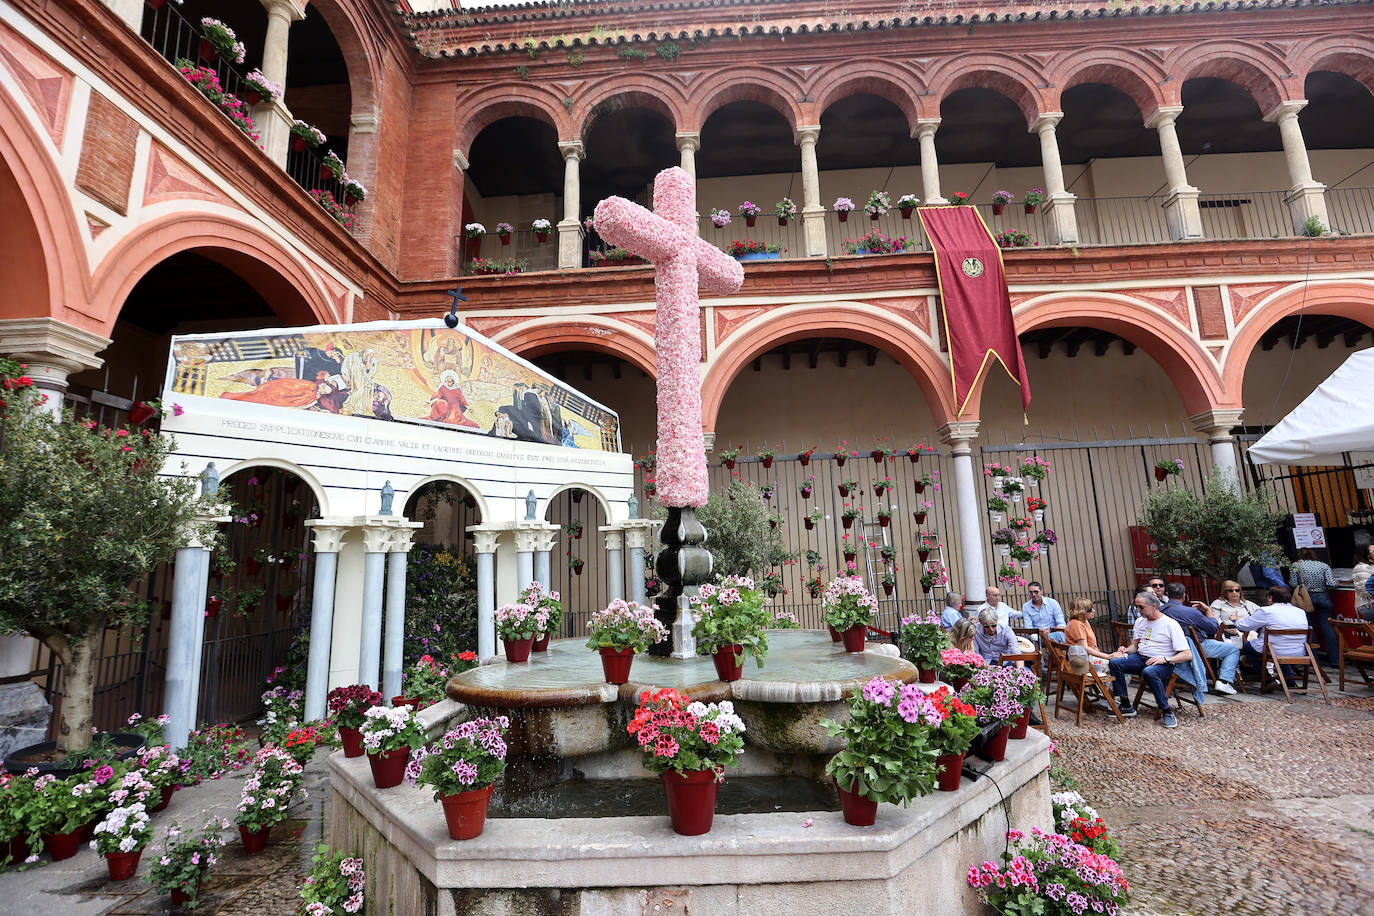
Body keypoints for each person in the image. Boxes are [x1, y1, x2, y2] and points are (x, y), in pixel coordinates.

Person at [1107, 591, 1193, 728]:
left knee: (1150, 672)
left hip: (1164, 662)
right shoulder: (1140, 622)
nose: (1138, 610)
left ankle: (1166, 711)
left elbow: (1187, 654)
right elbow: (1135, 646)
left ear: (1153, 606)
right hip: (1141, 657)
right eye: (1136, 607)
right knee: (1115, 662)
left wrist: (1165, 659)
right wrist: (1125, 650)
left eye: (1141, 607)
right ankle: (1125, 704)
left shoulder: (1170, 624)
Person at [1158, 583, 1242, 695]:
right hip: (1194, 648)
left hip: (1167, 649)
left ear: (1167, 594)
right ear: (1184, 596)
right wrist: (1208, 611)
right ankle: (1224, 682)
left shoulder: (1158, 611)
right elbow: (1213, 629)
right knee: (1233, 649)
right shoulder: (1191, 612)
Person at [1235, 585, 1312, 682]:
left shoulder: (1266, 611)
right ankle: (1289, 679)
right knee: (1280, 646)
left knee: (1247, 647)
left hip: (1275, 650)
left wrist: (1235, 620)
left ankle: (1266, 679)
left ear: (1270, 598)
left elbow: (1244, 626)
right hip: (1299, 651)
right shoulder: (1300, 611)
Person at [1289, 548, 1338, 666]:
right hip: (1323, 597)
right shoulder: (1324, 565)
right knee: (1327, 627)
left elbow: (1293, 583)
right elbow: (1331, 584)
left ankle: (1313, 659)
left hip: (1305, 599)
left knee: (1310, 628)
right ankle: (1336, 660)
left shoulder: (1295, 566)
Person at [1064, 597, 1115, 673]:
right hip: (1083, 660)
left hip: (1089, 657)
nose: (1094, 611)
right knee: (1117, 665)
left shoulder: (1084, 621)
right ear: (1081, 612)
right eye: (1090, 610)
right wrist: (1108, 656)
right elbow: (1084, 648)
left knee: (1120, 661)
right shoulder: (1076, 624)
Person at [1352, 543, 1374, 622]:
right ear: (1366, 554)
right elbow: (1366, 590)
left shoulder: (1371, 565)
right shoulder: (1361, 568)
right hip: (1369, 605)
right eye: (1373, 551)